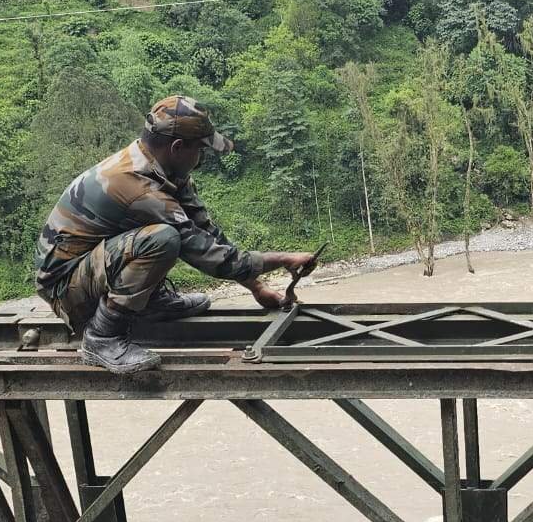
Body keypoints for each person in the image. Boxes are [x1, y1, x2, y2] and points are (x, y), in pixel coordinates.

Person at [35, 95, 320, 374]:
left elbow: (208, 234)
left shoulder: (164, 171)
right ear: (177, 147)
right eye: (200, 150)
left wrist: (256, 286)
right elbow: (206, 255)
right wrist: (283, 259)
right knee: (162, 239)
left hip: (93, 268)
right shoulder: (138, 188)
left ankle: (150, 305)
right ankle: (102, 337)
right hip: (64, 286)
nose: (202, 158)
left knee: (162, 236)